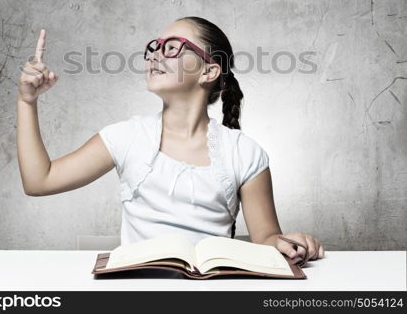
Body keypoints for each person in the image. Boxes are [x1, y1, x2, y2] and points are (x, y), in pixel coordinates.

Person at [16, 16, 325, 266]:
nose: (155, 54)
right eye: (155, 46)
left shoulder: (244, 152)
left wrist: (292, 245)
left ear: (209, 71)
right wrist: (27, 101)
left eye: (173, 47)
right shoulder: (127, 137)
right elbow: (38, 181)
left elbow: (266, 239)